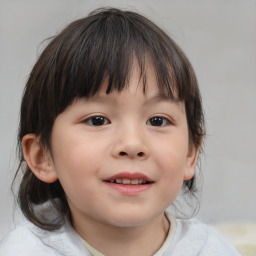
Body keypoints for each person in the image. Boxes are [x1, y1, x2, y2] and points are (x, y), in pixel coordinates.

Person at [0, 7, 240, 256]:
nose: (132, 144)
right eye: (97, 120)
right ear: (43, 157)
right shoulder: (24, 251)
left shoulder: (213, 250)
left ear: (190, 154)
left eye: (157, 120)